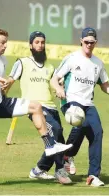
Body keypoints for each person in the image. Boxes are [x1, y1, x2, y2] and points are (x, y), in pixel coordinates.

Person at [0, 27, 73, 163]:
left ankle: (49, 145)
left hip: (1, 102)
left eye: (6, 42)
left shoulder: (3, 60)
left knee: (35, 107)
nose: (5, 46)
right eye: (2, 42)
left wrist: (2, 88)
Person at [5, 31, 72, 184]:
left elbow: (56, 84)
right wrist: (2, 97)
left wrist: (59, 89)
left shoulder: (50, 66)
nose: (40, 45)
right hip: (35, 108)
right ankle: (60, 170)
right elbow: (10, 80)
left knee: (58, 138)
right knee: (55, 131)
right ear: (30, 45)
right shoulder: (22, 62)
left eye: (42, 42)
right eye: (37, 42)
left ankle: (39, 169)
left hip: (52, 107)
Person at [51, 27, 109, 187]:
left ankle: (92, 176)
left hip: (88, 103)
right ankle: (67, 155)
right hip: (70, 101)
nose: (89, 44)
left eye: (92, 42)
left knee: (97, 133)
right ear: (81, 41)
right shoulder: (72, 58)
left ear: (96, 43)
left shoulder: (98, 63)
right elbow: (55, 78)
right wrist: (59, 89)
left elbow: (105, 85)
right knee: (81, 123)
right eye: (86, 42)